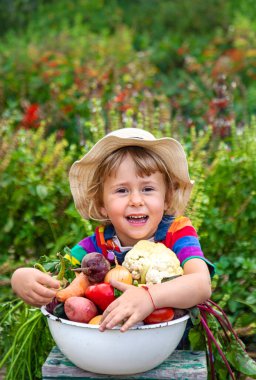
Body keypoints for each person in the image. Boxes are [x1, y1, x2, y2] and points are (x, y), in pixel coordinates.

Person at [11, 128, 215, 332]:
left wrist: (150, 298)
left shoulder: (177, 232)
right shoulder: (97, 245)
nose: (136, 200)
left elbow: (201, 284)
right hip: (110, 346)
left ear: (167, 197)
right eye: (121, 190)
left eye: (147, 189)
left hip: (171, 350)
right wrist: (22, 278)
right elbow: (56, 277)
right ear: (102, 204)